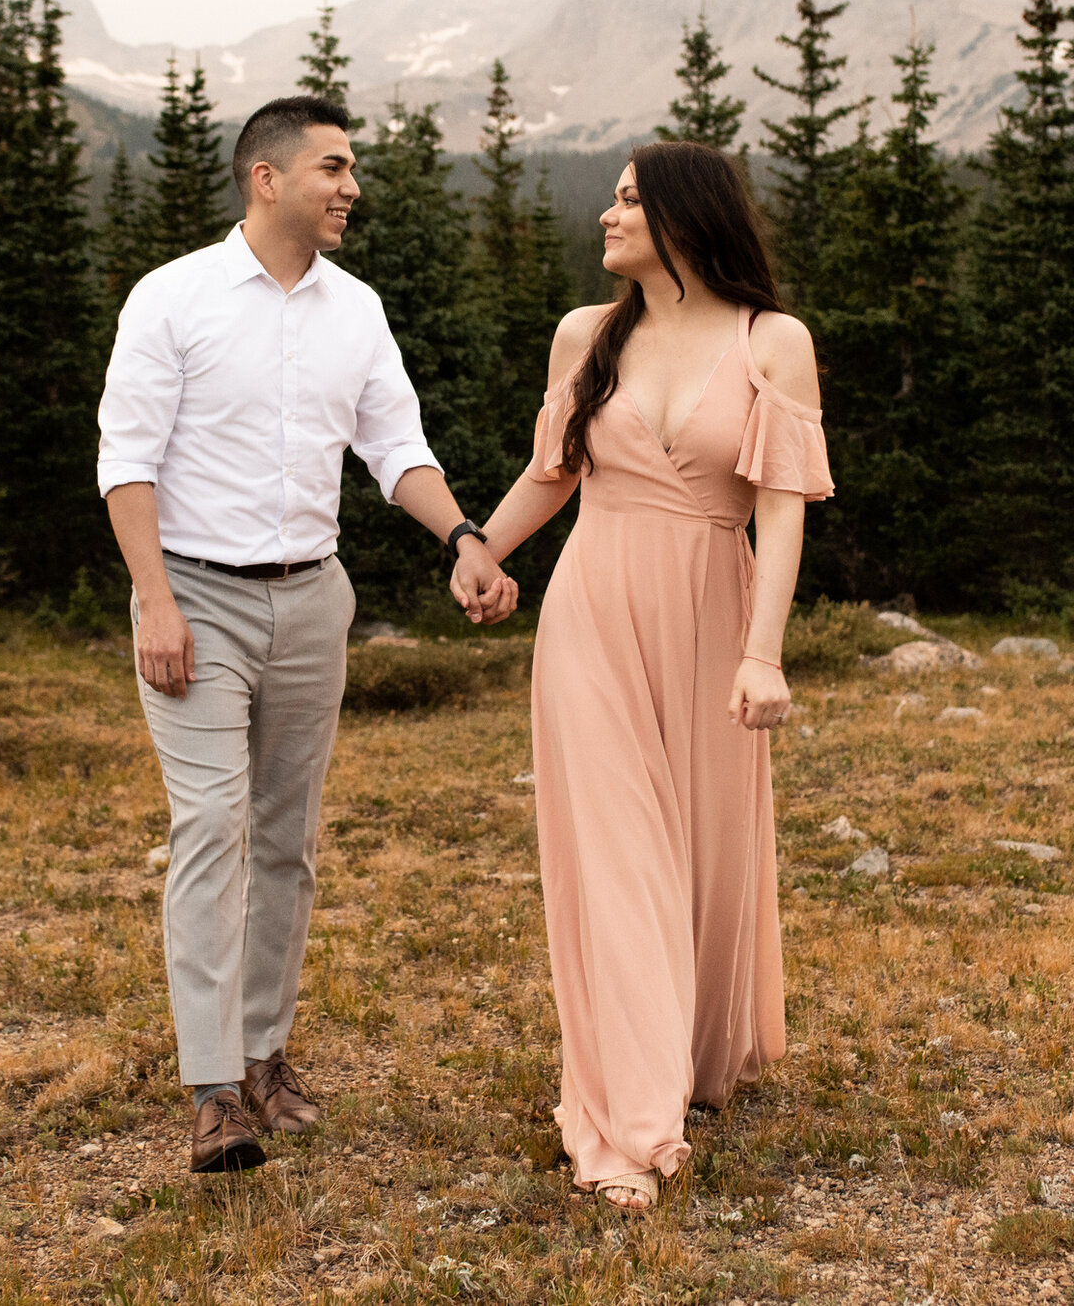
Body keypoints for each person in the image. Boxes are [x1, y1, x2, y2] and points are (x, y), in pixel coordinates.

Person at [97, 94, 517, 1174]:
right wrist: (152, 595)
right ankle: (209, 1090)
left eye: (353, 168)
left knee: (287, 838)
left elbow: (395, 445)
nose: (352, 186)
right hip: (195, 595)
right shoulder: (173, 298)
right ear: (266, 177)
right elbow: (127, 459)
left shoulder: (357, 309)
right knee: (210, 825)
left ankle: (265, 1055)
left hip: (312, 597)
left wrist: (464, 535)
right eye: (333, 166)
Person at [468, 140, 830, 1210]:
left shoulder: (773, 340)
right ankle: (629, 1117)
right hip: (592, 609)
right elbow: (554, 472)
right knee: (619, 850)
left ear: (682, 214)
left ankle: (696, 1055)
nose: (605, 215)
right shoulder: (586, 335)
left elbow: (778, 505)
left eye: (627, 198)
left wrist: (763, 650)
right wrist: (479, 548)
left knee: (705, 845)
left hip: (714, 607)